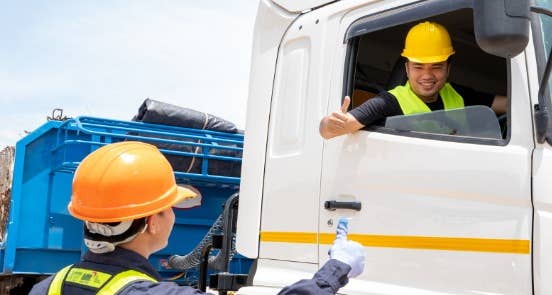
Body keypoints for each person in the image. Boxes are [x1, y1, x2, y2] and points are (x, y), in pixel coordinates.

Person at [29, 141, 364, 295]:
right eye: (169, 206)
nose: (173, 214)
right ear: (151, 222)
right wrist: (336, 269)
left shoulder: (48, 287)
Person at [319, 21, 507, 139]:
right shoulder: (389, 101)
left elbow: (507, 105)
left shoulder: (457, 93)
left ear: (448, 68)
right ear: (407, 69)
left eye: (436, 66)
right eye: (418, 67)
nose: (427, 76)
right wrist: (329, 124)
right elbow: (330, 130)